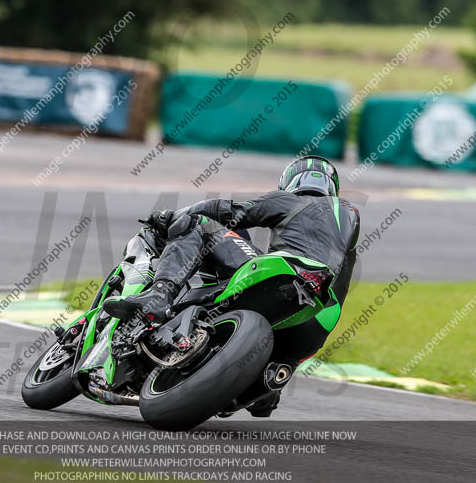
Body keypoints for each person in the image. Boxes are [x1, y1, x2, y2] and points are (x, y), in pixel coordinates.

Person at [104, 155, 360, 416]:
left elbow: (230, 211)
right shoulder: (349, 219)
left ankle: (159, 296)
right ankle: (268, 384)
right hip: (315, 325)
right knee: (266, 392)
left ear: (290, 181)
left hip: (285, 277)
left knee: (198, 225)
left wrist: (172, 217)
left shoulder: (291, 200)